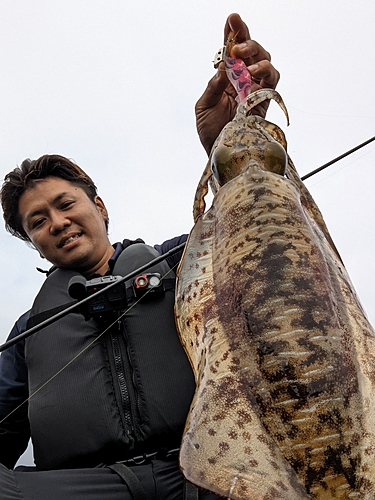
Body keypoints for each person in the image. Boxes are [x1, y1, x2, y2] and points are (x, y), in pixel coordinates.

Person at [0, 13, 279, 500]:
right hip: (84, 488)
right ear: (33, 241)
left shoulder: (179, 261)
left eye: (66, 204)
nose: (58, 222)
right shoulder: (28, 331)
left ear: (99, 207)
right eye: (37, 221)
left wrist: (228, 140)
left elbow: (250, 232)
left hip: (206, 469)